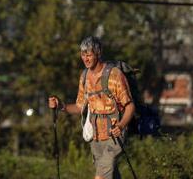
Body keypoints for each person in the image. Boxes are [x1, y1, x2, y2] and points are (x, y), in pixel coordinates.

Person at [48, 36, 136, 179]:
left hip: (114, 136)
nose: (86, 58)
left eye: (89, 54)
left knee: (100, 176)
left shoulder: (114, 75)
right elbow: (79, 106)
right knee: (111, 175)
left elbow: (130, 106)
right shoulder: (84, 77)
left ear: (98, 53)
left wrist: (120, 125)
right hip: (95, 138)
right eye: (83, 54)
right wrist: (61, 105)